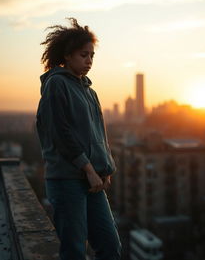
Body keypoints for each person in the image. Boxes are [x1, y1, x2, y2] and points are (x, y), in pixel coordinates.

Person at [36, 18, 122, 260]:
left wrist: (105, 168)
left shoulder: (89, 91)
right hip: (67, 180)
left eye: (92, 55)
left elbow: (98, 135)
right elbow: (61, 134)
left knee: (110, 246)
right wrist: (88, 168)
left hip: (93, 180)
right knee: (74, 250)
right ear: (68, 54)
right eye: (84, 55)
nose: (89, 61)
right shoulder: (56, 85)